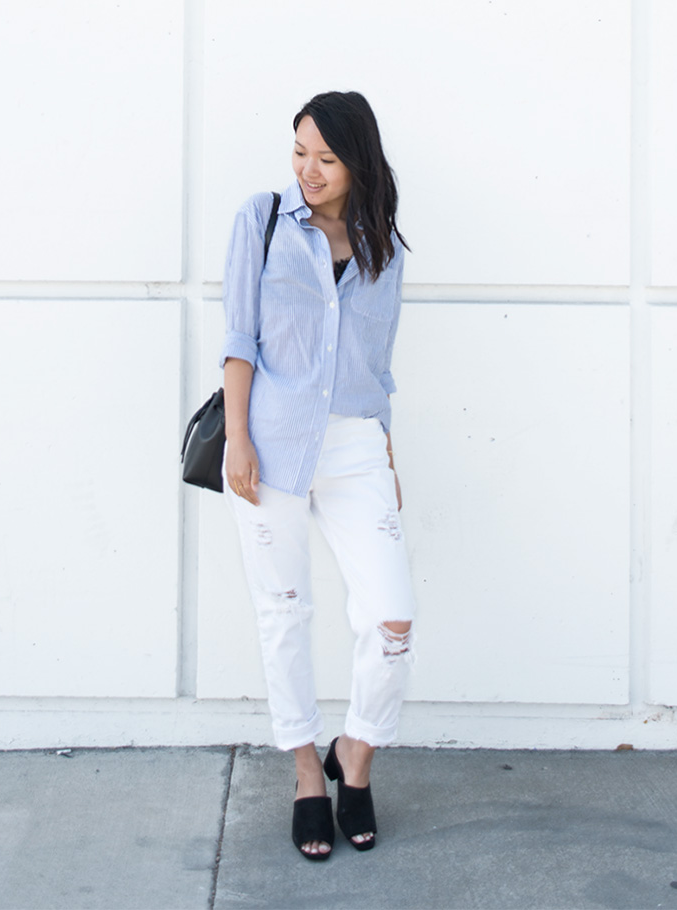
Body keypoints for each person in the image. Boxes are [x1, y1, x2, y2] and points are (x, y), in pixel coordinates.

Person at [221, 90, 414, 860]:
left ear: (357, 162)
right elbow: (240, 336)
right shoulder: (262, 220)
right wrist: (237, 436)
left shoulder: (385, 250)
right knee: (285, 611)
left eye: (326, 159)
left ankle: (355, 756)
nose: (308, 170)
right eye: (299, 152)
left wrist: (387, 458)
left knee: (392, 616)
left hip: (357, 446)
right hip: (268, 446)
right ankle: (307, 772)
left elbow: (379, 368)